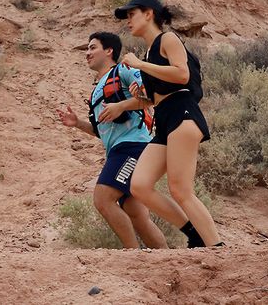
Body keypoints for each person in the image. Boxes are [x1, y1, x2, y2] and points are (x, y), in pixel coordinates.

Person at [57, 32, 204, 249]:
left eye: (92, 48)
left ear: (109, 51)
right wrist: (78, 123)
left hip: (133, 147)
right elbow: (104, 131)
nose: (87, 53)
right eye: (86, 50)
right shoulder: (97, 90)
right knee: (136, 213)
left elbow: (149, 97)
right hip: (119, 149)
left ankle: (131, 253)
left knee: (103, 198)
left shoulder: (124, 71)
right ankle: (164, 260)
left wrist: (129, 100)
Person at [116, 0, 223, 247]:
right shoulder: (150, 52)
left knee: (181, 190)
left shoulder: (168, 39)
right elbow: (154, 99)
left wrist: (139, 64)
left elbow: (182, 74)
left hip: (182, 114)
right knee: (140, 185)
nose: (128, 21)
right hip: (164, 119)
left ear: (149, 14)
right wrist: (139, 96)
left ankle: (217, 248)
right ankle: (195, 234)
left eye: (132, 14)